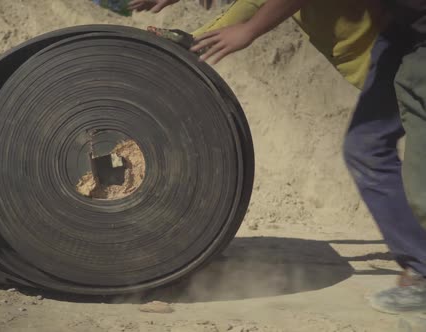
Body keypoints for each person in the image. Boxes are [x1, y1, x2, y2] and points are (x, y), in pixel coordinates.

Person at [130, 0, 426, 315]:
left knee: (419, 178)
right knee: (366, 149)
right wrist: (194, 41)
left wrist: (250, 30)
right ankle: (420, 262)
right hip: (399, 38)